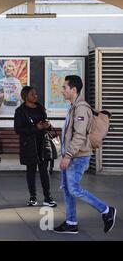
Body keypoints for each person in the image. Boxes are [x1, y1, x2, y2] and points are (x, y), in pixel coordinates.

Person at [54, 75, 116, 234]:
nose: (62, 90)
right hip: (73, 155)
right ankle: (71, 222)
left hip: (78, 156)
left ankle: (106, 210)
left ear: (73, 90)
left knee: (73, 189)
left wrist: (67, 156)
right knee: (68, 189)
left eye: (64, 87)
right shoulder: (74, 106)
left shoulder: (81, 108)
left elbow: (80, 135)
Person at [14, 86, 57, 207]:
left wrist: (47, 125)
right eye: (33, 94)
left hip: (43, 143)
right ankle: (33, 197)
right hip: (29, 145)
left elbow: (46, 123)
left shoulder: (40, 108)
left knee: (44, 171)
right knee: (31, 171)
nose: (36, 96)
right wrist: (35, 128)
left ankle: (48, 198)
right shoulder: (20, 111)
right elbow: (18, 129)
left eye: (36, 94)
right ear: (25, 96)